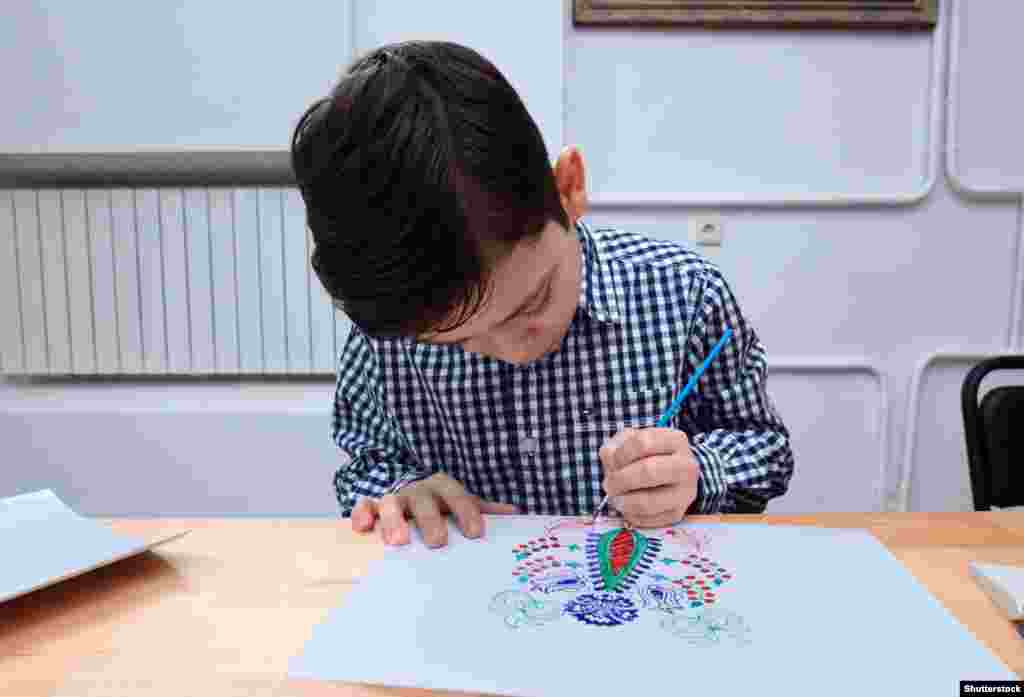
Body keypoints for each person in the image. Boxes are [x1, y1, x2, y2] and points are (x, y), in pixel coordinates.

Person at [290, 40, 794, 548]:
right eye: (454, 342)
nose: (514, 352)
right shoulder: (391, 326)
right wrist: (399, 492)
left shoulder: (685, 295)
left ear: (568, 189)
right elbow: (365, 468)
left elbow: (764, 451)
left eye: (531, 304)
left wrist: (697, 475)